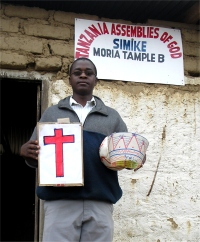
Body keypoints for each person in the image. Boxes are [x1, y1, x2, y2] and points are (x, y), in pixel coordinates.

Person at [20, 57, 145, 242]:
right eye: (77, 73)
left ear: (96, 79)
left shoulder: (112, 117)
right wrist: (26, 152)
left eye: (89, 73)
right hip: (60, 201)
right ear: (69, 79)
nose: (83, 76)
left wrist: (134, 157)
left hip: (100, 200)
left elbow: (124, 151)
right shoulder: (52, 113)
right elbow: (35, 155)